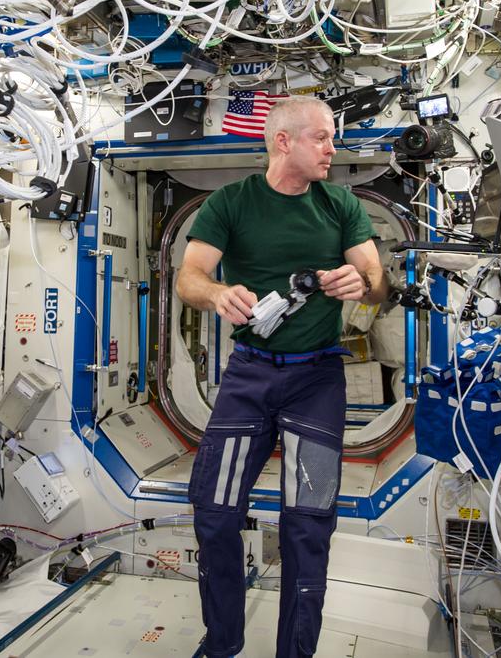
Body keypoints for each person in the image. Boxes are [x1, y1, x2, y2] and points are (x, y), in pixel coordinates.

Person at [175, 96, 388, 657]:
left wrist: (361, 283)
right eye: (321, 137)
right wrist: (219, 292)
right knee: (216, 514)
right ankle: (223, 644)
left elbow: (376, 275)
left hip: (317, 381)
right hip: (248, 379)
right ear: (283, 141)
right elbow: (189, 278)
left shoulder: (340, 205)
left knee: (308, 525)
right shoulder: (231, 203)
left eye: (332, 137)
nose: (332, 148)